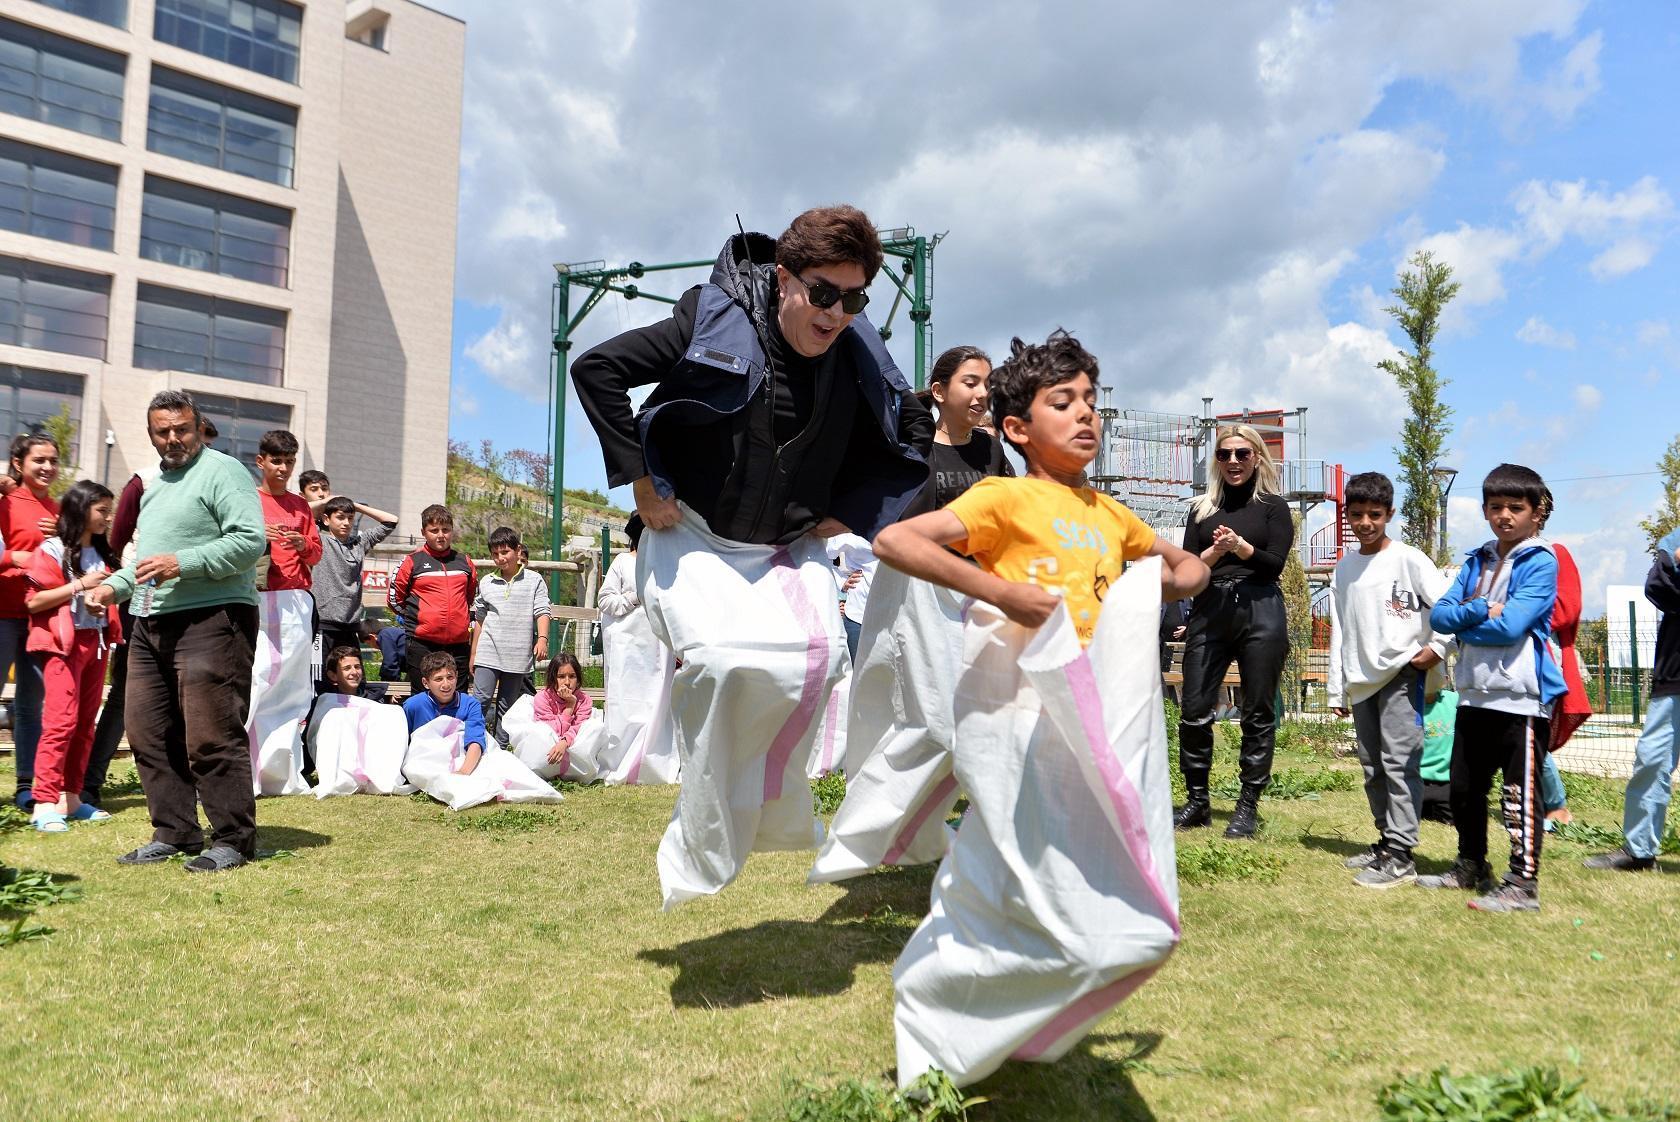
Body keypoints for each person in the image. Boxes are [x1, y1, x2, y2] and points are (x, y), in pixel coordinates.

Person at [873, 329, 1208, 1088]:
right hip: (1020, 714)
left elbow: (1183, 570)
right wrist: (1001, 593)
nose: (1086, 415)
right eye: (1064, 403)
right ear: (1017, 429)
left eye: (1092, 401)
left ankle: (971, 998)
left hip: (1094, 714)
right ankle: (940, 1014)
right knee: (1016, 867)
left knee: (1068, 877)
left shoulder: (1111, 514)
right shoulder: (1005, 496)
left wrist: (1154, 581)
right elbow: (898, 540)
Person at [571, 205, 931, 908]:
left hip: (784, 547)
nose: (836, 314)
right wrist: (642, 480)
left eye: (854, 299)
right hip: (692, 532)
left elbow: (911, 430)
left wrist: (849, 510)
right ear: (784, 280)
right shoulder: (712, 318)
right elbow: (597, 370)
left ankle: (771, 811)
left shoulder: (859, 350)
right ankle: (699, 838)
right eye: (823, 293)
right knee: (725, 662)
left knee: (826, 659)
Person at [811, 344, 1013, 883]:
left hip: (975, 594)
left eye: (986, 384)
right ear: (940, 391)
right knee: (918, 710)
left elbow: (1014, 518)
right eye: (970, 382)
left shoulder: (991, 455)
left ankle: (954, 823)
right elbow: (866, 506)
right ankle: (875, 825)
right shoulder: (910, 450)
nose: (981, 393)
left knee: (978, 712)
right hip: (913, 592)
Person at [88, 390, 266, 873]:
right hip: (149, 623)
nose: (173, 438)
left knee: (210, 736)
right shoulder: (154, 484)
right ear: (151, 435)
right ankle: (174, 831)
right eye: (162, 431)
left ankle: (232, 838)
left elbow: (250, 542)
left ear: (198, 426)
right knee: (147, 732)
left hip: (213, 620)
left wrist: (182, 563)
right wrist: (113, 587)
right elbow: (146, 561)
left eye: (181, 428)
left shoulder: (224, 471)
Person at [1420, 463, 1565, 913]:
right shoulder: (1476, 559)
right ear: (1484, 510)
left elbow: (1515, 626)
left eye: (1516, 508)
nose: (1505, 516)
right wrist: (1482, 607)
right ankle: (1471, 865)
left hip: (1521, 700)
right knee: (1464, 789)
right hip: (1473, 694)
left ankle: (1523, 883)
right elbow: (1440, 617)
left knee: (1519, 795)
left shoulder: (1542, 562)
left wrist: (1468, 622)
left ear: (1537, 513)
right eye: (1496, 507)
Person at [82, 416, 220, 806]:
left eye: (205, 442)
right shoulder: (143, 481)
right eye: (197, 439)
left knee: (187, 697)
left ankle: (181, 783)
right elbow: (117, 540)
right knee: (128, 693)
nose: (197, 448)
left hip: (195, 607)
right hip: (141, 599)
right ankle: (91, 781)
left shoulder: (215, 481)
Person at [1326, 472, 1451, 888]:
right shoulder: (1343, 570)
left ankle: (1402, 852)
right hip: (1361, 681)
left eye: (1374, 515)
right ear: (1347, 516)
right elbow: (1341, 629)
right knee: (1372, 766)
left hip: (1402, 675)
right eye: (1357, 515)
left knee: (1400, 763)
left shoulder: (1409, 559)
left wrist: (1438, 648)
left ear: (1389, 514)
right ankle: (1385, 839)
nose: (1365, 523)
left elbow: (1447, 609)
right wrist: (1337, 686)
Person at [1173, 422, 1297, 839]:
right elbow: (1188, 569)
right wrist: (1216, 550)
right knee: (1193, 709)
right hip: (1211, 608)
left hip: (1261, 605)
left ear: (1257, 457)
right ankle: (1197, 801)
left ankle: (1247, 806)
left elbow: (1275, 562)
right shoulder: (1201, 509)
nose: (1233, 462)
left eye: (1242, 454)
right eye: (1224, 455)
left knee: (1257, 711)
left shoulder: (1274, 507)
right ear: (1216, 461)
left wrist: (1242, 548)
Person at [24, 481, 120, 832]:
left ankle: (72, 797)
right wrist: (80, 586)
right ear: (81, 509)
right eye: (101, 511)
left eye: (109, 511)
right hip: (62, 647)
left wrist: (103, 599)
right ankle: (43, 801)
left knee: (83, 725)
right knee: (60, 723)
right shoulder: (51, 549)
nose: (106, 518)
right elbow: (33, 602)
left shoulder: (103, 551)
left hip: (96, 643)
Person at [1584, 529, 1680, 873]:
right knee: (1652, 760)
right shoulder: (1676, 539)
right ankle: (1639, 852)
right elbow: (1658, 586)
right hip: (1675, 676)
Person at [0, 432, 62, 808]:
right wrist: (18, 559)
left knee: (30, 704)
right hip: (3, 615)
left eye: (53, 460)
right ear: (19, 464)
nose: (48, 467)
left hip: (41, 619)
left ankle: (26, 786)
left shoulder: (59, 509)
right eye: (39, 460)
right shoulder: (5, 503)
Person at [469, 526, 550, 742]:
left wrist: (542, 638)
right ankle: (471, 743)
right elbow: (480, 618)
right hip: (488, 651)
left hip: (518, 655)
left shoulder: (534, 580)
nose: (500, 558)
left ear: (517, 550)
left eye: (504, 552)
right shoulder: (486, 582)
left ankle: (501, 751)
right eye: (495, 554)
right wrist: (474, 653)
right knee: (480, 700)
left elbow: (542, 610)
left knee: (508, 706)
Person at [387, 504, 476, 690]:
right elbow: (394, 599)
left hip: (458, 645)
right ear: (423, 532)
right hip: (422, 644)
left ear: (452, 531)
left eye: (446, 530)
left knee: (457, 697)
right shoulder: (412, 561)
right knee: (422, 698)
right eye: (434, 530)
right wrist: (418, 618)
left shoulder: (465, 562)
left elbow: (469, 598)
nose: (441, 535)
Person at [311, 494, 398, 674]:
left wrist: (356, 506)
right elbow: (298, 511)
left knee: (354, 678)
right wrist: (324, 502)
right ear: (326, 519)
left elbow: (391, 521)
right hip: (323, 624)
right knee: (319, 677)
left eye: (350, 518)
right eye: (340, 517)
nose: (346, 523)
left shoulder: (360, 542)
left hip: (350, 625)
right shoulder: (319, 539)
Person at [403, 651, 486, 776]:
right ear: (426, 683)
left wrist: (464, 772)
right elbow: (403, 741)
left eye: (450, 677)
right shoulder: (413, 705)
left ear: (457, 676)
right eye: (438, 679)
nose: (446, 684)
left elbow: (475, 740)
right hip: (422, 761)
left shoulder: (470, 704)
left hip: (461, 760)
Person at [533, 652, 594, 775]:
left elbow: (579, 728)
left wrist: (564, 742)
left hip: (573, 748)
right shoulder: (543, 698)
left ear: (578, 679)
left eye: (572, 676)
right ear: (553, 678)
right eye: (561, 677)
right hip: (546, 752)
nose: (567, 682)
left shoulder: (584, 700)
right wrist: (569, 707)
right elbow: (553, 731)